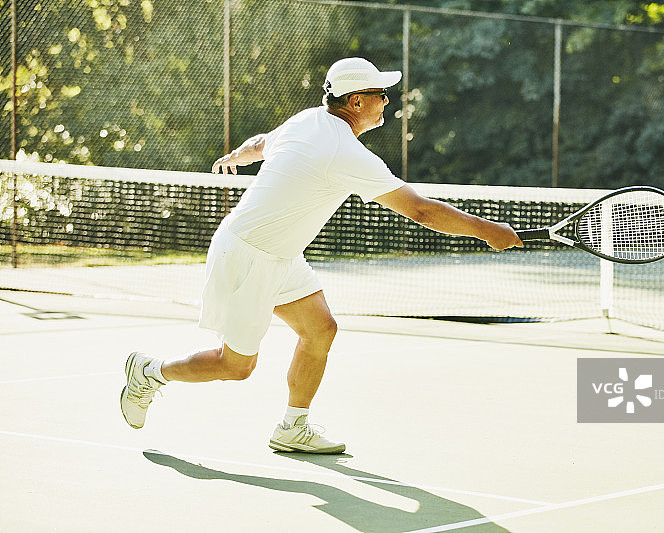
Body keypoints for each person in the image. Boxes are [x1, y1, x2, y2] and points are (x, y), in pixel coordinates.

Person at [120, 57, 522, 454]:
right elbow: (420, 210)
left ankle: (293, 428)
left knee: (321, 330)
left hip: (281, 255)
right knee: (236, 367)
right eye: (379, 94)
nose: (387, 101)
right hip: (246, 255)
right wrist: (491, 231)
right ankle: (150, 373)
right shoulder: (344, 151)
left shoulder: (307, 119)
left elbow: (261, 143)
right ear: (356, 102)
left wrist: (238, 156)